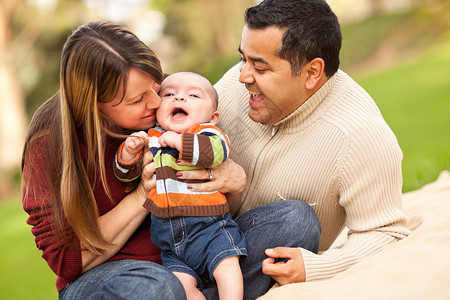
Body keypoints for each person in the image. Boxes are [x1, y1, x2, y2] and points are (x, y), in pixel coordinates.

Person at [207, 0, 410, 295]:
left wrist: (317, 266)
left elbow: (385, 232)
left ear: (312, 73)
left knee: (296, 219)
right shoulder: (235, 84)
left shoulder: (359, 135)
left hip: (251, 257)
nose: (242, 77)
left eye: (260, 68)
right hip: (195, 234)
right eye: (243, 59)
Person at [21, 21, 189, 299]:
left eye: (155, 85)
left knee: (284, 219)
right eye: (137, 100)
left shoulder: (171, 99)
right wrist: (142, 194)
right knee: (154, 286)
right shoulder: (49, 142)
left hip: (188, 259)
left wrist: (233, 178)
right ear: (93, 105)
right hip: (109, 279)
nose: (156, 102)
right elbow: (67, 260)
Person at [113, 71, 247, 300]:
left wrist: (179, 141)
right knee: (180, 288)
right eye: (169, 94)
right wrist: (127, 154)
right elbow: (126, 177)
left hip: (210, 229)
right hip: (169, 242)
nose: (179, 99)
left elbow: (216, 153)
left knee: (227, 267)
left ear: (213, 116)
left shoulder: (208, 133)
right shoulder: (152, 137)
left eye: (193, 95)